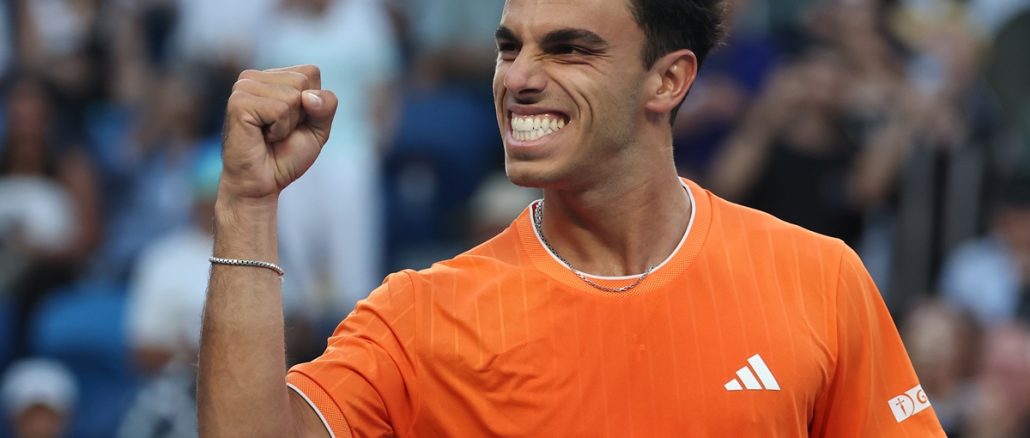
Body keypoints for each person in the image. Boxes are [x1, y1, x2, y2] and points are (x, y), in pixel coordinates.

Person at [198, 0, 946, 436]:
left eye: (567, 50)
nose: (520, 79)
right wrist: (247, 205)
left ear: (668, 79)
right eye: (508, 46)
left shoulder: (819, 278)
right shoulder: (418, 317)